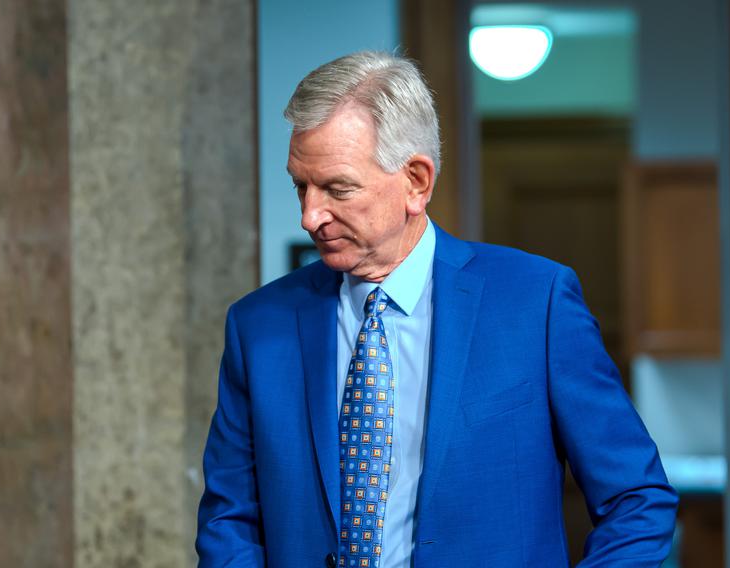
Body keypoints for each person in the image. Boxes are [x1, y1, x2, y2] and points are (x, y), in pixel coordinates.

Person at [196, 51, 677, 567]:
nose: (310, 215)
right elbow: (230, 521)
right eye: (301, 186)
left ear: (416, 182)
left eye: (338, 189)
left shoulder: (535, 304)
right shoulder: (258, 326)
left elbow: (637, 501)